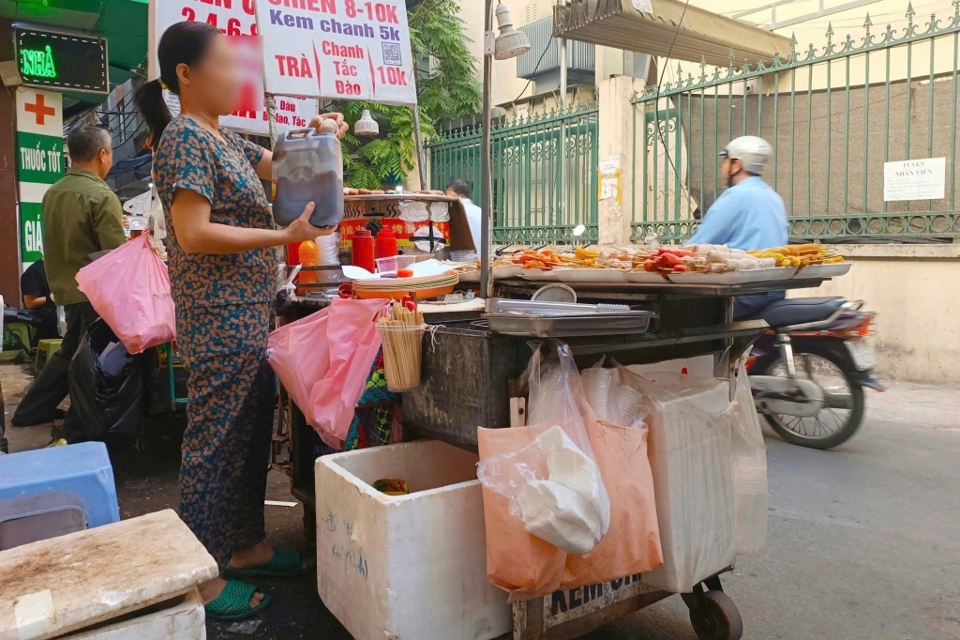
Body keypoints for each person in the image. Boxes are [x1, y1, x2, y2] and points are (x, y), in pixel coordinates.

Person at [135, 21, 347, 622]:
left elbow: (286, 165)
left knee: (251, 433)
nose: (238, 76)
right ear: (186, 75)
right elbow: (192, 232)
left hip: (250, 312)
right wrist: (284, 234)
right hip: (217, 317)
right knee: (214, 442)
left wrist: (322, 134)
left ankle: (247, 546)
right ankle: (202, 576)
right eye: (226, 64)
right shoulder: (184, 138)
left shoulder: (224, 138)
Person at [11, 127, 125, 430]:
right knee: (93, 359)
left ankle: (31, 410)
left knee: (71, 352)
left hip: (65, 289)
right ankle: (79, 423)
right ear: (102, 154)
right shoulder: (101, 195)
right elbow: (115, 257)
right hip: (95, 293)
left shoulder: (53, 193)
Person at [686, 136, 788, 318]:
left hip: (743, 294)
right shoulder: (773, 197)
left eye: (725, 160)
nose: (723, 167)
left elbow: (696, 247)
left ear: (737, 164)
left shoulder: (735, 196)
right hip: (774, 290)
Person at [20, 259, 59, 343]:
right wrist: (53, 298)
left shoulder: (59, 269)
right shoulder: (33, 272)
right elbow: (29, 303)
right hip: (43, 319)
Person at [446, 178, 483, 253]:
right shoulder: (480, 211)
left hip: (462, 260)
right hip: (482, 259)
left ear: (451, 193)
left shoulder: (455, 211)